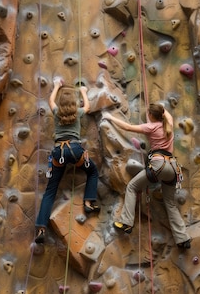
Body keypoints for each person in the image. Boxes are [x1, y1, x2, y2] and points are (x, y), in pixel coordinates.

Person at [103, 103, 191, 249]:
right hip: (172, 168)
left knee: (132, 187)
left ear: (150, 115)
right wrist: (162, 108)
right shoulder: (168, 124)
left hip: (158, 166)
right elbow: (167, 115)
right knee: (170, 203)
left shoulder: (151, 127)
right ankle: (183, 239)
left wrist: (110, 117)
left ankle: (126, 222)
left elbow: (128, 127)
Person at [35, 79, 100, 244]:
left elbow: (50, 100)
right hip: (76, 150)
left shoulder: (57, 112)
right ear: (73, 103)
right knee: (92, 171)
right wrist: (84, 91)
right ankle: (88, 203)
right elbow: (87, 107)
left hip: (58, 153)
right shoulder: (78, 113)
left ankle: (41, 228)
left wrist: (56, 85)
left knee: (50, 191)